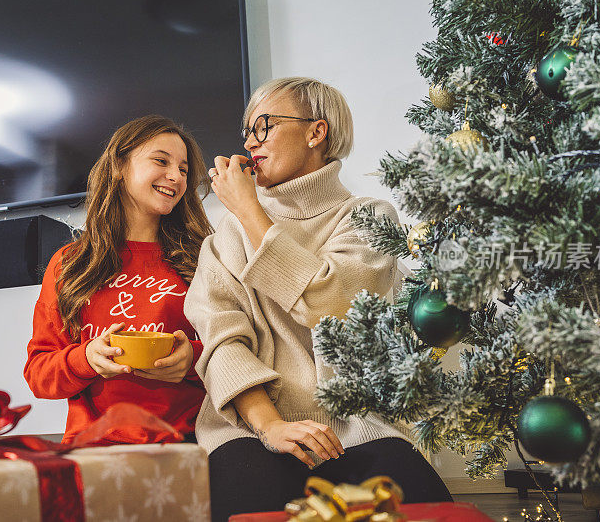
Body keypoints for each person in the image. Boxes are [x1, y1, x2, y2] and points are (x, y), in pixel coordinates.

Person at [184, 77, 452, 520]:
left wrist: (251, 211)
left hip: (360, 429)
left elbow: (327, 301)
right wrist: (271, 427)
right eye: (246, 130)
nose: (251, 141)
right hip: (251, 430)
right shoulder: (225, 236)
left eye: (264, 125)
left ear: (316, 131)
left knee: (420, 505)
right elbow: (222, 344)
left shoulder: (369, 217)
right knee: (244, 494)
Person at [24, 115, 213, 445]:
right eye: (161, 161)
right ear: (119, 165)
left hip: (190, 444)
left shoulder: (204, 258)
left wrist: (193, 359)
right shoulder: (70, 263)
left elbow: (242, 354)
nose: (175, 177)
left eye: (183, 169)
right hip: (95, 450)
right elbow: (39, 374)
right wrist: (87, 359)